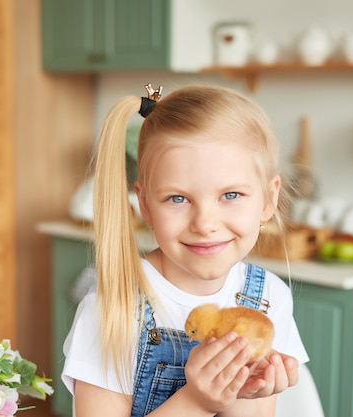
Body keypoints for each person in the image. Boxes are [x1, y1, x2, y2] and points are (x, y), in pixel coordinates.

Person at [62, 83, 309, 417]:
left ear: (269, 199)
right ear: (145, 205)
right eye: (177, 199)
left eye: (231, 195)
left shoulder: (269, 298)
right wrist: (195, 403)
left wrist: (242, 394)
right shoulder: (113, 308)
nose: (205, 223)